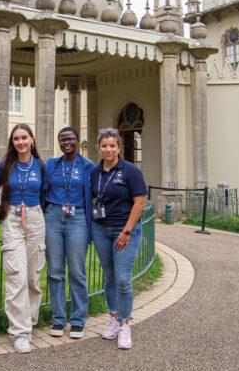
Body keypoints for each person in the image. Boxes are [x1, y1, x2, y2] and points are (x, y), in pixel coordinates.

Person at [90, 127, 147, 350]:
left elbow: (140, 202)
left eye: (112, 145)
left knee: (123, 279)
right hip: (101, 229)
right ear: (98, 148)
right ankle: (113, 318)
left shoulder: (130, 171)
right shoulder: (96, 173)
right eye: (104, 146)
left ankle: (125, 324)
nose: (108, 149)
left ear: (119, 147)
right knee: (110, 277)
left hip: (124, 230)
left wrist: (126, 231)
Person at [0, 123, 46, 354]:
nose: (21, 142)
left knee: (34, 277)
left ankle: (30, 320)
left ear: (32, 140)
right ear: (12, 142)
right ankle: (19, 331)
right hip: (12, 219)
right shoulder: (5, 165)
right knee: (17, 276)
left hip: (35, 218)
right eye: (16, 138)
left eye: (24, 137)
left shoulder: (42, 166)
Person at [42, 127, 96, 339]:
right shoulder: (51, 165)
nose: (66, 143)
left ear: (77, 140)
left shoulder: (87, 166)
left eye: (70, 139)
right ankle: (57, 319)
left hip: (78, 219)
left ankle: (78, 320)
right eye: (62, 139)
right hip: (53, 217)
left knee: (76, 271)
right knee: (55, 271)